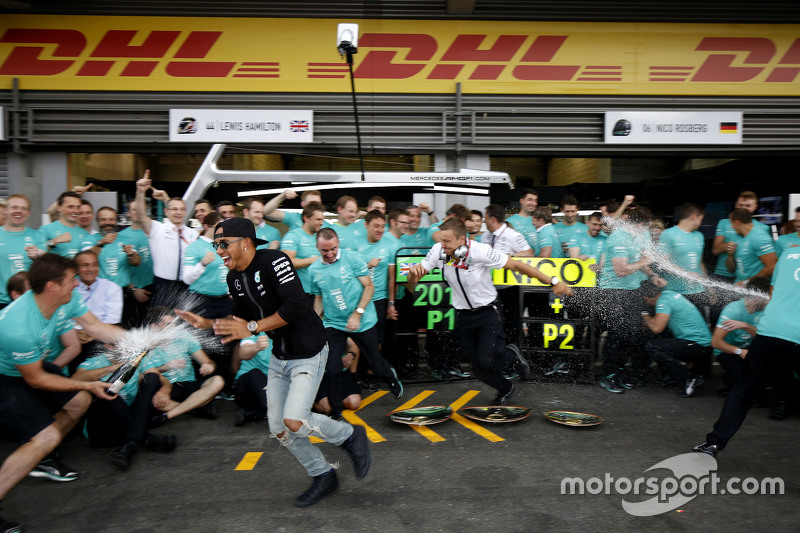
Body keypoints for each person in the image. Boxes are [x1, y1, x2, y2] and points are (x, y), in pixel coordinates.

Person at [175, 217, 370, 508]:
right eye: (216, 245)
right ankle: (324, 475)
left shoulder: (274, 261)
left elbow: (296, 305)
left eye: (223, 244)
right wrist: (207, 322)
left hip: (308, 351)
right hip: (280, 356)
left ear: (246, 243)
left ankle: (349, 435)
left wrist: (253, 328)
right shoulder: (233, 278)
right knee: (279, 428)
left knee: (295, 421)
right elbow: (239, 321)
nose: (218, 250)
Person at [0, 253, 123, 532]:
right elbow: (37, 380)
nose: (77, 285)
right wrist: (87, 383)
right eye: (72, 280)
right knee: (48, 435)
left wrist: (140, 340)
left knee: (78, 404)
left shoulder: (65, 300)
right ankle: (40, 447)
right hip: (6, 376)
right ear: (52, 286)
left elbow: (96, 327)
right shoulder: (16, 326)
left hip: (31, 366)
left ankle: (40, 456)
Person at [408, 218, 573, 405]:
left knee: (487, 362)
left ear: (462, 240)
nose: (442, 245)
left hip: (488, 313)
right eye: (441, 240)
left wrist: (553, 281)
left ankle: (511, 355)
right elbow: (413, 285)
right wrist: (413, 278)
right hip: (464, 316)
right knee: (478, 369)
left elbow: (518, 266)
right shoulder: (439, 252)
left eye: (447, 241)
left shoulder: (480, 251)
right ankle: (506, 389)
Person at [693, 247, 800, 458]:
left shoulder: (789, 253)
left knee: (743, 389)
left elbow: (773, 292)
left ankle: (713, 444)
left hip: (771, 330)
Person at [310, 227, 403, 400]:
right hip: (334, 323)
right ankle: (336, 412)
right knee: (333, 367)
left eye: (333, 249)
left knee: (376, 365)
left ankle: (390, 377)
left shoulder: (352, 258)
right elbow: (319, 297)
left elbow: (369, 286)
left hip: (362, 321)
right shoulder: (314, 269)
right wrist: (315, 322)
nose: (329, 254)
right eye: (324, 250)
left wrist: (357, 313)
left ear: (338, 244)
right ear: (317, 247)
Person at [596, 207, 667, 393]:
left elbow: (639, 263)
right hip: (614, 292)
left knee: (632, 334)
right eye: (646, 227)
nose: (647, 231)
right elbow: (622, 270)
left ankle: (618, 370)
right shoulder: (619, 237)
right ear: (640, 225)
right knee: (617, 334)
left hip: (633, 290)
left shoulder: (636, 237)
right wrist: (647, 260)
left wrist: (652, 276)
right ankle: (608, 375)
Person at [73, 353, 178, 471]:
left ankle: (130, 445)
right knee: (108, 390)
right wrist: (116, 368)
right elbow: (74, 379)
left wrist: (164, 390)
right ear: (107, 345)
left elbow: (159, 378)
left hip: (125, 426)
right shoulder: (94, 361)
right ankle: (146, 438)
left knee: (151, 378)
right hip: (101, 431)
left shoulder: (137, 358)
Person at [140, 310, 224, 430]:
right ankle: (196, 408)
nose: (173, 327)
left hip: (188, 385)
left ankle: (168, 415)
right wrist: (166, 367)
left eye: (174, 323)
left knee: (218, 381)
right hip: (163, 389)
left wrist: (208, 365)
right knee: (153, 400)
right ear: (153, 326)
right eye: (168, 324)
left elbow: (207, 361)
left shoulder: (184, 336)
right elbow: (141, 375)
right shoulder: (144, 344)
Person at [134, 170, 199, 308]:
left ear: (186, 212)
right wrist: (140, 192)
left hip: (186, 287)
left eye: (182, 209)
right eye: (174, 209)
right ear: (166, 211)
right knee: (160, 325)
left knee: (184, 324)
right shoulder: (157, 229)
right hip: (163, 286)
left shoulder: (192, 234)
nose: (178, 212)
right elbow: (140, 215)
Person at [640, 279, 713, 398]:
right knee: (659, 339)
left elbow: (657, 328)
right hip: (700, 344)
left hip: (698, 346)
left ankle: (689, 378)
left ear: (646, 298)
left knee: (653, 347)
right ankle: (672, 375)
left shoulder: (663, 301)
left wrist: (645, 315)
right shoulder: (668, 294)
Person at [482, 204, 534, 354]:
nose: (484, 221)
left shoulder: (512, 235)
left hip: (510, 288)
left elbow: (529, 253)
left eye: (485, 218)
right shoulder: (485, 236)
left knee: (511, 325)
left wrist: (512, 257)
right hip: (490, 289)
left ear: (492, 219)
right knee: (493, 324)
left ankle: (512, 360)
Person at [711, 277, 769, 398]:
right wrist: (739, 351)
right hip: (728, 351)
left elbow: (763, 337)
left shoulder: (765, 310)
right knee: (746, 382)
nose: (769, 301)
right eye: (767, 297)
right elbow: (716, 342)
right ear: (758, 297)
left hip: (749, 348)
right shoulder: (733, 310)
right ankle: (728, 382)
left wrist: (746, 326)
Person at [656, 203, 708, 317]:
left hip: (698, 291)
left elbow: (700, 263)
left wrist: (708, 286)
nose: (701, 223)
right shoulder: (668, 234)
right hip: (676, 292)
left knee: (699, 329)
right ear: (693, 216)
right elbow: (663, 263)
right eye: (701, 219)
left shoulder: (699, 236)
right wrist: (686, 274)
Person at [73, 250, 123, 369]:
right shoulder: (69, 288)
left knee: (97, 346)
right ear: (76, 269)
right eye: (85, 265)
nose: (91, 269)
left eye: (94, 264)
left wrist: (92, 334)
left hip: (99, 336)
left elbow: (112, 322)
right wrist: (74, 332)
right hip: (71, 334)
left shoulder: (111, 288)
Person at [711, 191, 769, 283]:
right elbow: (715, 250)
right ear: (736, 205)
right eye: (741, 205)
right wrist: (728, 246)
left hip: (749, 277)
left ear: (755, 207)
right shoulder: (724, 223)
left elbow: (769, 263)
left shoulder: (763, 229)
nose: (744, 209)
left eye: (748, 206)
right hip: (724, 273)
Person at [0, 194, 46, 309]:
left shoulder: (37, 236)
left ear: (28, 213)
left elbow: (47, 265)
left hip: (30, 302)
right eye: (14, 207)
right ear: (5, 210)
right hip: (1, 302)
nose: (19, 211)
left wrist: (41, 256)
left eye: (23, 208)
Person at [117, 199, 153, 329]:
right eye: (134, 209)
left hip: (158, 289)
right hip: (135, 291)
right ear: (128, 213)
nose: (138, 211)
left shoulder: (156, 231)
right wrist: (132, 289)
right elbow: (119, 268)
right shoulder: (120, 236)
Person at [280, 201, 325, 298]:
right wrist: (314, 260)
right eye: (318, 219)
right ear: (306, 218)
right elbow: (286, 263)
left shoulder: (320, 237)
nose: (321, 223)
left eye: (322, 219)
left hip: (318, 292)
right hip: (300, 292)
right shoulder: (293, 236)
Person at [92, 206, 141, 291]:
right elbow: (84, 259)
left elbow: (136, 262)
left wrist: (131, 254)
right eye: (103, 219)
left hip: (123, 291)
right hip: (98, 290)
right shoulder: (90, 239)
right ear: (97, 221)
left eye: (111, 219)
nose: (107, 222)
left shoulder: (126, 239)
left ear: (116, 221)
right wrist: (101, 243)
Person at [726, 208, 777, 286]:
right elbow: (731, 270)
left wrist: (746, 282)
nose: (731, 227)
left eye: (731, 224)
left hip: (755, 289)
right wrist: (730, 255)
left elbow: (772, 267)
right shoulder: (738, 238)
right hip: (738, 287)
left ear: (737, 222)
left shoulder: (759, 237)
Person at [39, 191, 94, 258]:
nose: (75, 211)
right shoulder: (46, 229)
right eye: (70, 207)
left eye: (78, 207)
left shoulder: (84, 233)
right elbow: (38, 251)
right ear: (59, 208)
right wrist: (54, 241)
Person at [233, 333, 270, 427]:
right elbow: (242, 353)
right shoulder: (255, 329)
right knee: (255, 373)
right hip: (247, 388)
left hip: (273, 384)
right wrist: (256, 347)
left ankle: (254, 414)